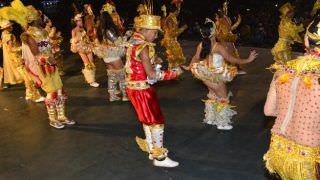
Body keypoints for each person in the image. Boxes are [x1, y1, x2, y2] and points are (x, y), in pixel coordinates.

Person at [125, 4, 183, 167]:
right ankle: (160, 158)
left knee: (147, 120)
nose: (156, 36)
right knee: (157, 121)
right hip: (142, 89)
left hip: (133, 87)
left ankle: (152, 149)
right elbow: (151, 74)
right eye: (156, 32)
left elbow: (137, 64)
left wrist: (152, 60)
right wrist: (173, 73)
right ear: (147, 30)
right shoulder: (143, 46)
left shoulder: (133, 42)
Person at [3, 0, 75, 129]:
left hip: (51, 65)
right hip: (43, 68)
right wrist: (48, 60)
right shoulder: (28, 35)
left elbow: (46, 48)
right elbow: (36, 55)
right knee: (51, 93)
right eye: (39, 16)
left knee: (59, 90)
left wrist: (53, 50)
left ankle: (62, 116)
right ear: (34, 19)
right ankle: (53, 119)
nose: (42, 18)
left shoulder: (43, 32)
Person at [264, 19, 320, 180]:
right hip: (309, 159)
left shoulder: (282, 70)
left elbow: (268, 111)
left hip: (279, 150)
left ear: (306, 40)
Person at [185, 19, 257, 130]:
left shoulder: (201, 45)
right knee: (223, 98)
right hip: (216, 76)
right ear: (214, 32)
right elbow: (232, 59)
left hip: (205, 75)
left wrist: (189, 67)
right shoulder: (218, 47)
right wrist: (248, 60)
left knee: (212, 95)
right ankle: (222, 123)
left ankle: (210, 118)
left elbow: (195, 58)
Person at [0, 17, 44, 102]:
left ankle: (28, 94)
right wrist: (23, 47)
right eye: (10, 26)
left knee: (26, 78)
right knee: (29, 78)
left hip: (13, 60)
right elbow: (11, 49)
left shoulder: (3, 35)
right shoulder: (9, 36)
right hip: (17, 60)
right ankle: (35, 96)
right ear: (7, 28)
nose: (12, 27)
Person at [93, 7, 129, 102]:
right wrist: (126, 36)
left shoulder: (99, 30)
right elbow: (118, 42)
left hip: (106, 57)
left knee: (112, 76)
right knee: (122, 75)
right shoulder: (109, 30)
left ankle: (112, 96)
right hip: (114, 56)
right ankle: (125, 95)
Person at [215, 1, 244, 75]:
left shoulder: (218, 20)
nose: (225, 9)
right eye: (223, 9)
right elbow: (230, 28)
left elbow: (219, 30)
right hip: (226, 37)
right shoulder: (224, 18)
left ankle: (227, 68)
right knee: (231, 52)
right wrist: (238, 22)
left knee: (226, 52)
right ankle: (234, 69)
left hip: (222, 37)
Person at [71, 13, 99, 88]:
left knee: (92, 62)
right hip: (81, 48)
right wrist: (78, 39)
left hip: (87, 46)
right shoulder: (74, 30)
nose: (81, 22)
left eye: (81, 21)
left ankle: (92, 78)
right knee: (87, 64)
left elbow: (86, 38)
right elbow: (73, 41)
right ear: (76, 22)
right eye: (79, 21)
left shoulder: (83, 29)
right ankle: (91, 81)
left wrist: (90, 42)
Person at [160, 1, 187, 69]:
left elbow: (178, 13)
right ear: (175, 9)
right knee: (173, 59)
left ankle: (174, 74)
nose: (179, 9)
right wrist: (183, 28)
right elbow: (172, 33)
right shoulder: (170, 19)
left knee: (176, 58)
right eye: (178, 7)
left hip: (172, 40)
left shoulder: (173, 17)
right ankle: (172, 74)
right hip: (170, 41)